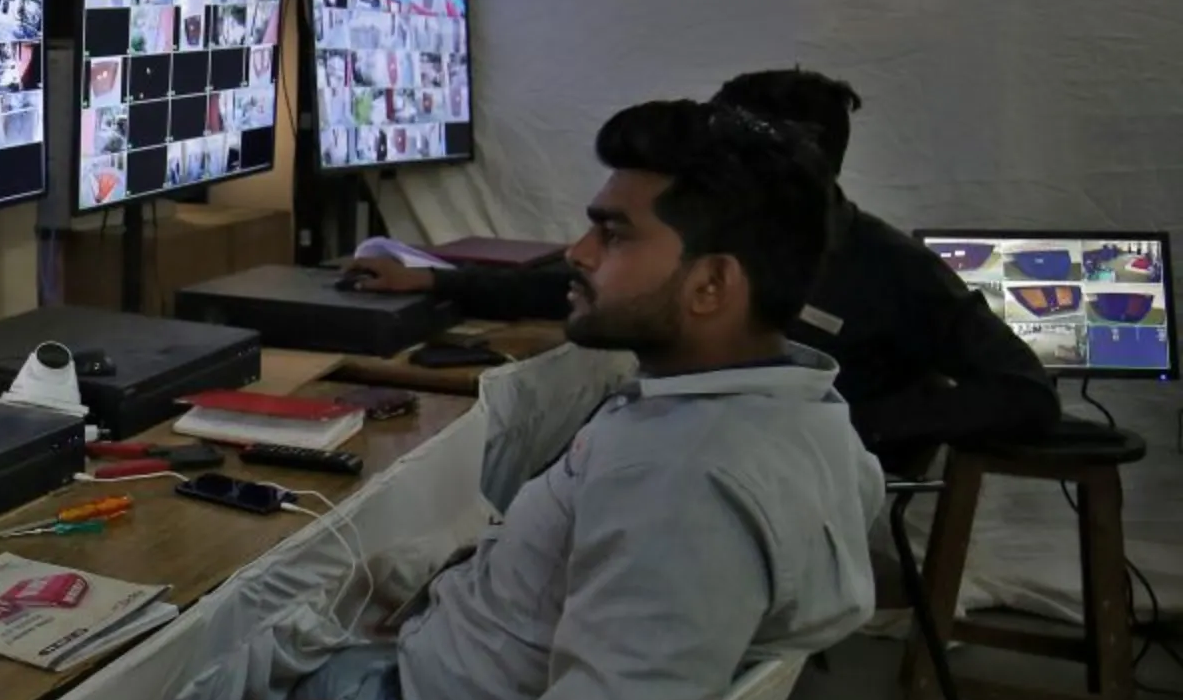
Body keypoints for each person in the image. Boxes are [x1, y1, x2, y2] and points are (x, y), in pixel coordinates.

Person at [29, 101, 880, 700]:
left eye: (613, 233)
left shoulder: (687, 489)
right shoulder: (794, 414)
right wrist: (464, 579)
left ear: (712, 285)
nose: (578, 253)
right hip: (425, 697)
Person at [345, 68, 1059, 466]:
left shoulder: (894, 271)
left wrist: (852, 425)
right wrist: (440, 279)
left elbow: (1024, 391)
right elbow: (598, 281)